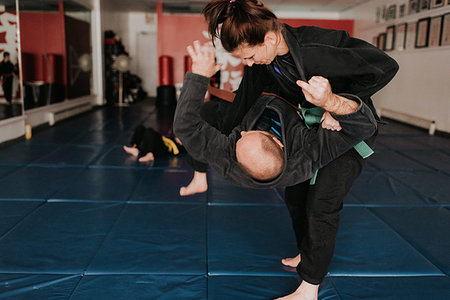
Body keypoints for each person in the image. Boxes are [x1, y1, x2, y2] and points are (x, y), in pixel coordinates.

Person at [194, 1, 399, 299]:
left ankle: (309, 287)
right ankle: (308, 253)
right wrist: (214, 141)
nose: (248, 63)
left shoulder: (316, 46)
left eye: (249, 56)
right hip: (311, 131)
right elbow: (242, 104)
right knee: (296, 194)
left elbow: (385, 66)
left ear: (270, 39)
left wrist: (337, 100)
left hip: (349, 129)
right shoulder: (263, 62)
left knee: (322, 203)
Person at [174, 41, 377, 189]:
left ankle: (199, 176)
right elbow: (365, 127)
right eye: (248, 135)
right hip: (290, 99)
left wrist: (199, 76)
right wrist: (331, 104)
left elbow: (186, 127)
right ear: (278, 142)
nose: (242, 134)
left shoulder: (228, 160)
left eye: (240, 139)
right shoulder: (306, 156)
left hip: (254, 101)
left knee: (208, 114)